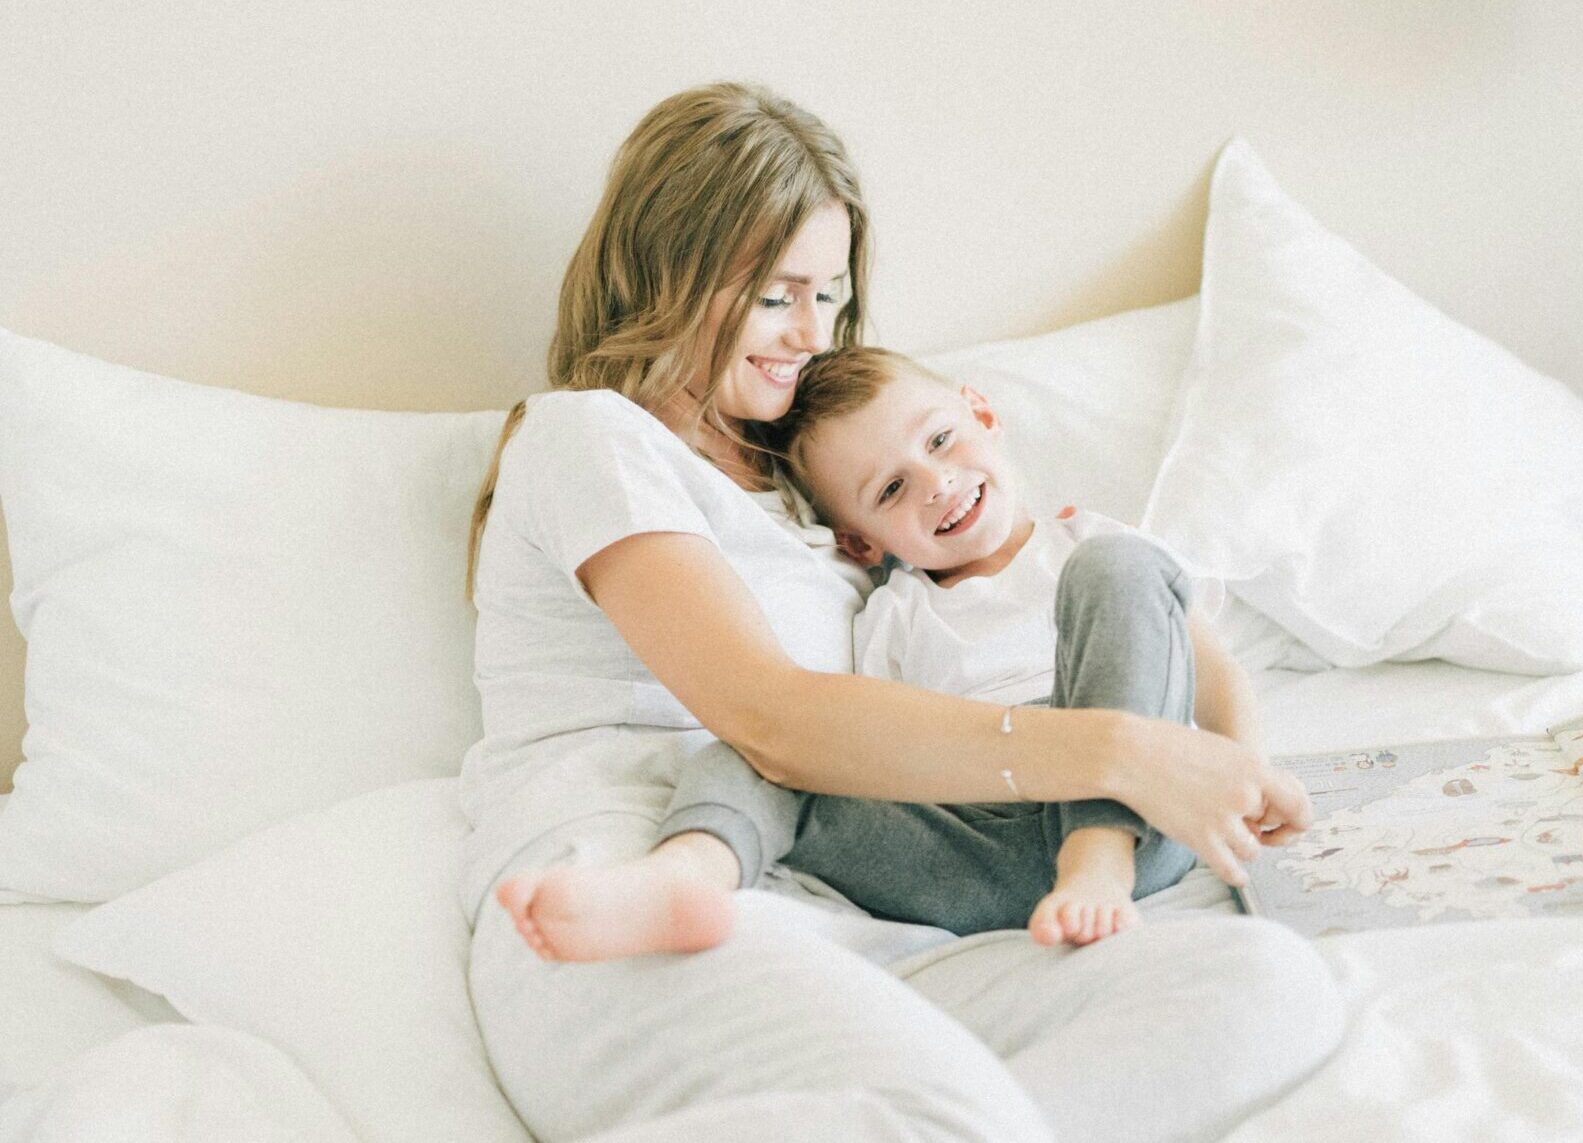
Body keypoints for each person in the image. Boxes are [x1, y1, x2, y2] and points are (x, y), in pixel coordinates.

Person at [462, 81, 1344, 1143]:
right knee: (939, 1109)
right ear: (673, 269)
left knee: (1264, 986)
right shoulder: (588, 438)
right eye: (778, 294)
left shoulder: (819, 497)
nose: (809, 333)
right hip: (626, 890)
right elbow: (771, 720)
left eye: (827, 297)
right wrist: (1119, 752)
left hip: (860, 909)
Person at [521, 344, 1259, 955]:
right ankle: (686, 873)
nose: (937, 484)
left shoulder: (1088, 543)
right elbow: (869, 755)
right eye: (892, 488)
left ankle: (1094, 856)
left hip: (1142, 816)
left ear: (983, 412)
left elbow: (1207, 668)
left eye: (940, 440)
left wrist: (1247, 772)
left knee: (1120, 567)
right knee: (765, 746)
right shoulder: (891, 616)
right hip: (973, 848)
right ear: (859, 541)